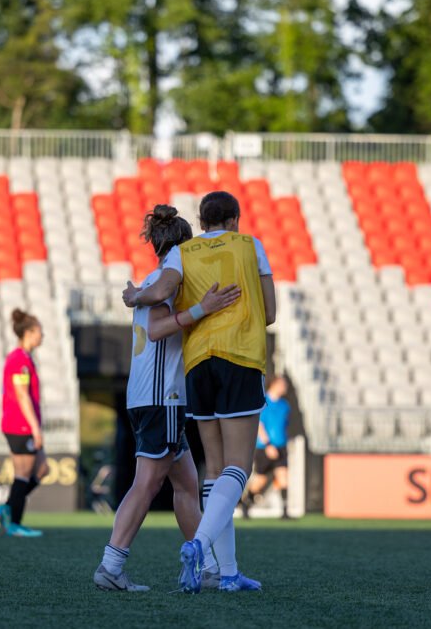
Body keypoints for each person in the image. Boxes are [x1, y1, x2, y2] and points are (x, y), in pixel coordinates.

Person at [124, 190, 275, 593]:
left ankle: (227, 573)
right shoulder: (250, 245)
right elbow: (271, 313)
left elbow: (159, 291)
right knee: (239, 467)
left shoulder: (183, 253)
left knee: (214, 467)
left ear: (201, 221)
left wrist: (135, 296)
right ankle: (198, 546)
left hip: (197, 365)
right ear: (234, 220)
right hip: (240, 357)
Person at [94, 204, 242, 592]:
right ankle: (111, 564)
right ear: (181, 248)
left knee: (187, 486)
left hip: (150, 396)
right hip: (164, 397)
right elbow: (159, 329)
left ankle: (208, 569)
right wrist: (202, 308)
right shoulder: (167, 279)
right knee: (146, 484)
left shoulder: (151, 278)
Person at [0, 309, 50, 537]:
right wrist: (35, 429)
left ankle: (6, 507)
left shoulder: (26, 359)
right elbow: (21, 395)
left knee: (43, 468)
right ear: (28, 332)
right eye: (39, 332)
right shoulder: (19, 360)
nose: (42, 336)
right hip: (20, 425)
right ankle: (14, 522)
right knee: (23, 474)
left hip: (26, 425)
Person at [243, 376, 291, 519]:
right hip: (264, 447)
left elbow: (284, 425)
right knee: (260, 480)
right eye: (282, 384)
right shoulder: (263, 402)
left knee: (283, 478)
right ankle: (246, 503)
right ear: (274, 384)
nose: (285, 387)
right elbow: (259, 425)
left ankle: (285, 511)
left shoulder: (285, 405)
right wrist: (268, 444)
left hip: (281, 446)